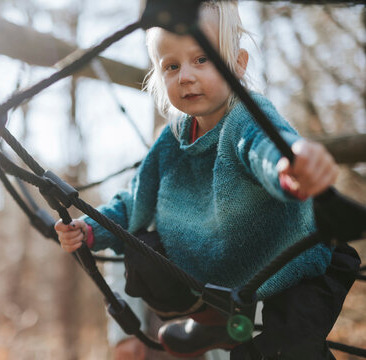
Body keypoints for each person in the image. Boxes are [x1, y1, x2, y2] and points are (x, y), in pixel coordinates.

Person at [56, 1, 359, 358]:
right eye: (171, 66)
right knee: (140, 252)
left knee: (282, 351)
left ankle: (237, 329)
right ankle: (214, 321)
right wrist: (91, 229)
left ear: (238, 64)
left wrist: (289, 168)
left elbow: (265, 145)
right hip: (221, 280)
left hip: (289, 263)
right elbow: (134, 200)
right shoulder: (169, 143)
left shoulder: (246, 116)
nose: (185, 75)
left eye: (202, 59)